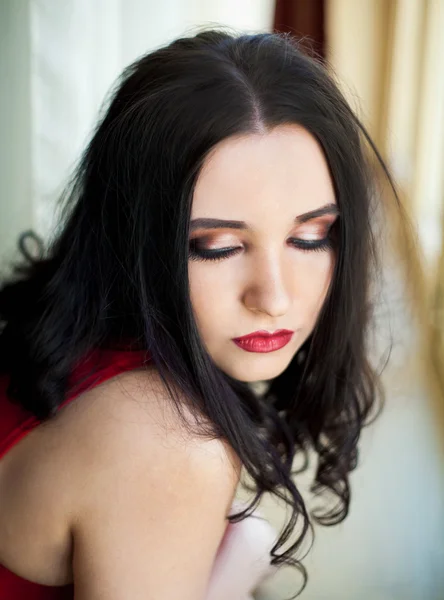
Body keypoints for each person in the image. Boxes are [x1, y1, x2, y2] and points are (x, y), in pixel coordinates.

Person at [0, 29, 398, 599]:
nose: (275, 297)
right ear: (134, 236)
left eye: (311, 237)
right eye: (217, 246)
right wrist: (238, 569)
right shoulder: (170, 446)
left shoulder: (70, 336)